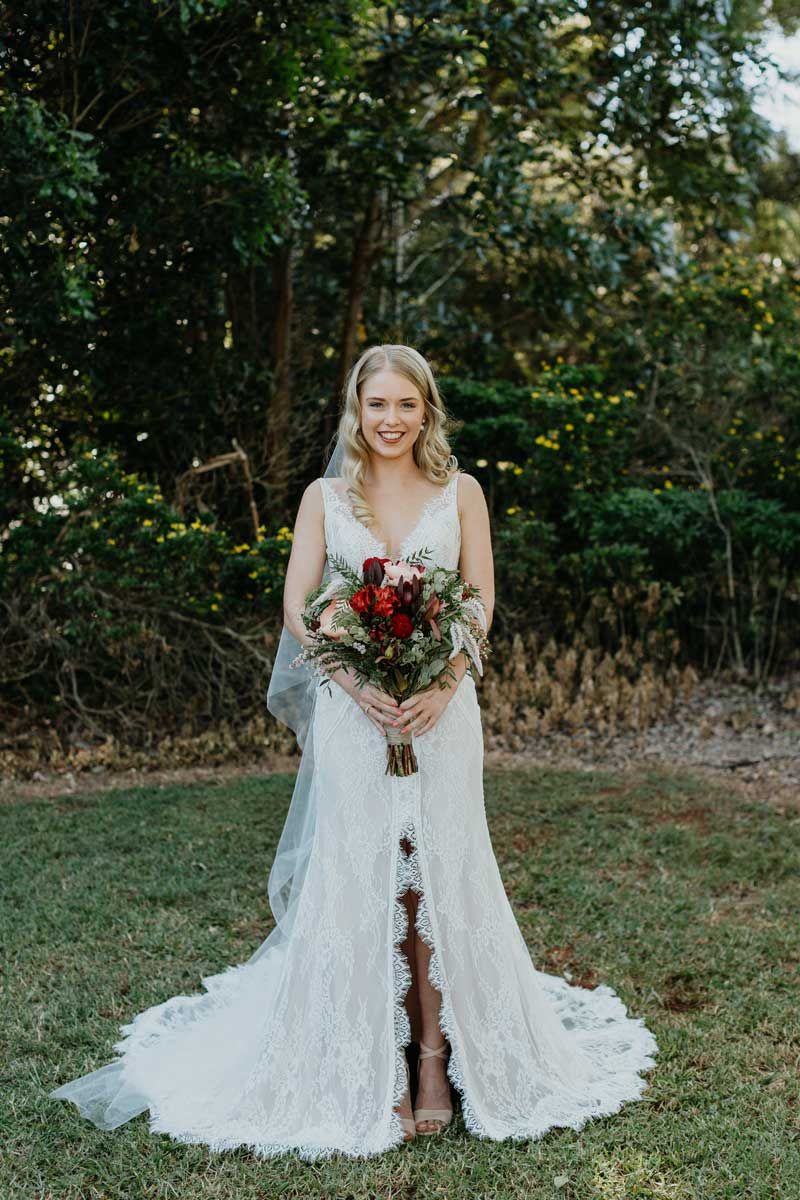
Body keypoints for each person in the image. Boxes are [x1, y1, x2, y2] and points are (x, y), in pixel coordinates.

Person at [49, 343, 657, 1160]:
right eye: (379, 405)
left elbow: (478, 603)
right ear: (356, 411)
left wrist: (441, 686)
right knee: (369, 874)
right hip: (354, 714)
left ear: (427, 411)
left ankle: (437, 1060)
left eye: (408, 405)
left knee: (439, 873)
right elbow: (300, 608)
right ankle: (372, 1066)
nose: (393, 420)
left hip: (444, 713)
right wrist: (352, 677)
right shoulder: (325, 496)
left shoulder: (462, 491)